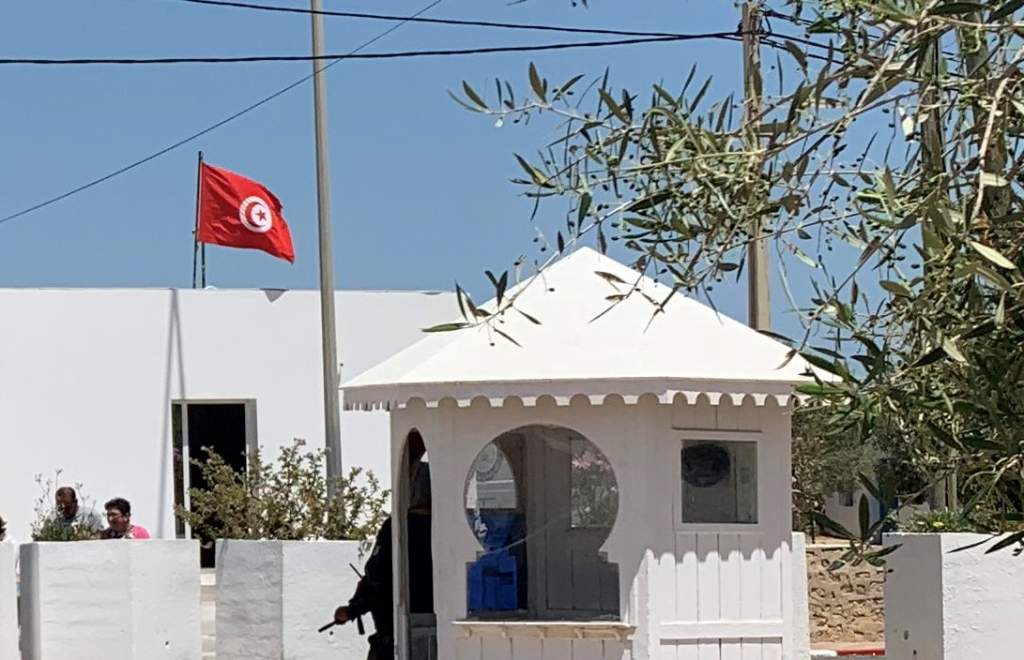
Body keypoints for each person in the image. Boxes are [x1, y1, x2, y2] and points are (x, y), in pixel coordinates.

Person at [333, 462, 433, 660]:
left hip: (395, 636)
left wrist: (353, 608)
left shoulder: (396, 527)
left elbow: (375, 578)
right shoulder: (445, 525)